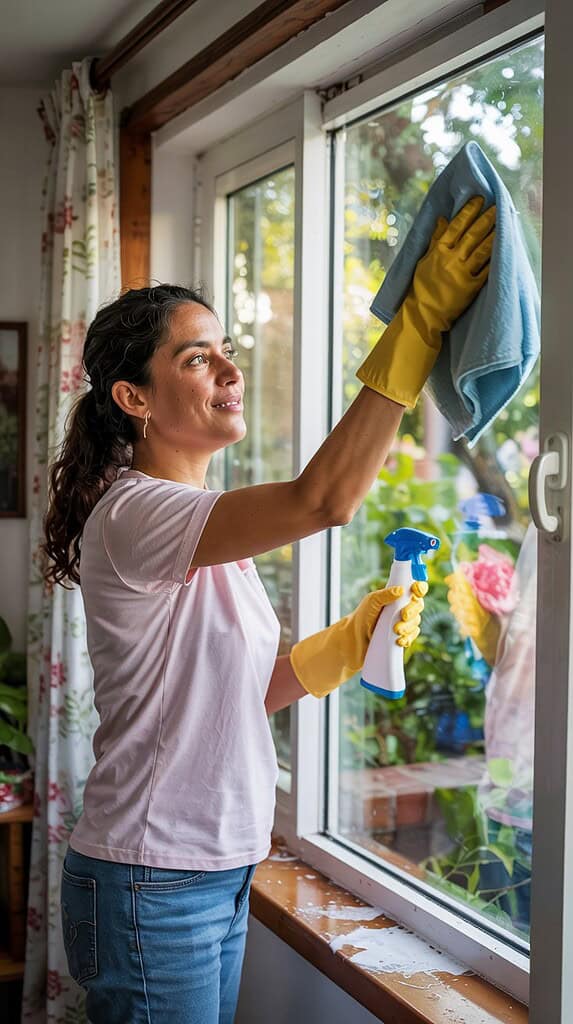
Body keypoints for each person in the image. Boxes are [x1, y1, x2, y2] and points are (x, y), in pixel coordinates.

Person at [43, 196, 494, 1023]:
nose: (228, 371)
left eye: (228, 351)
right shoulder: (137, 512)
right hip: (152, 876)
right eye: (195, 359)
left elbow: (230, 698)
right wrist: (415, 326)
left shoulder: (204, 532)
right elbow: (324, 499)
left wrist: (340, 649)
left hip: (212, 868)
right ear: (133, 398)